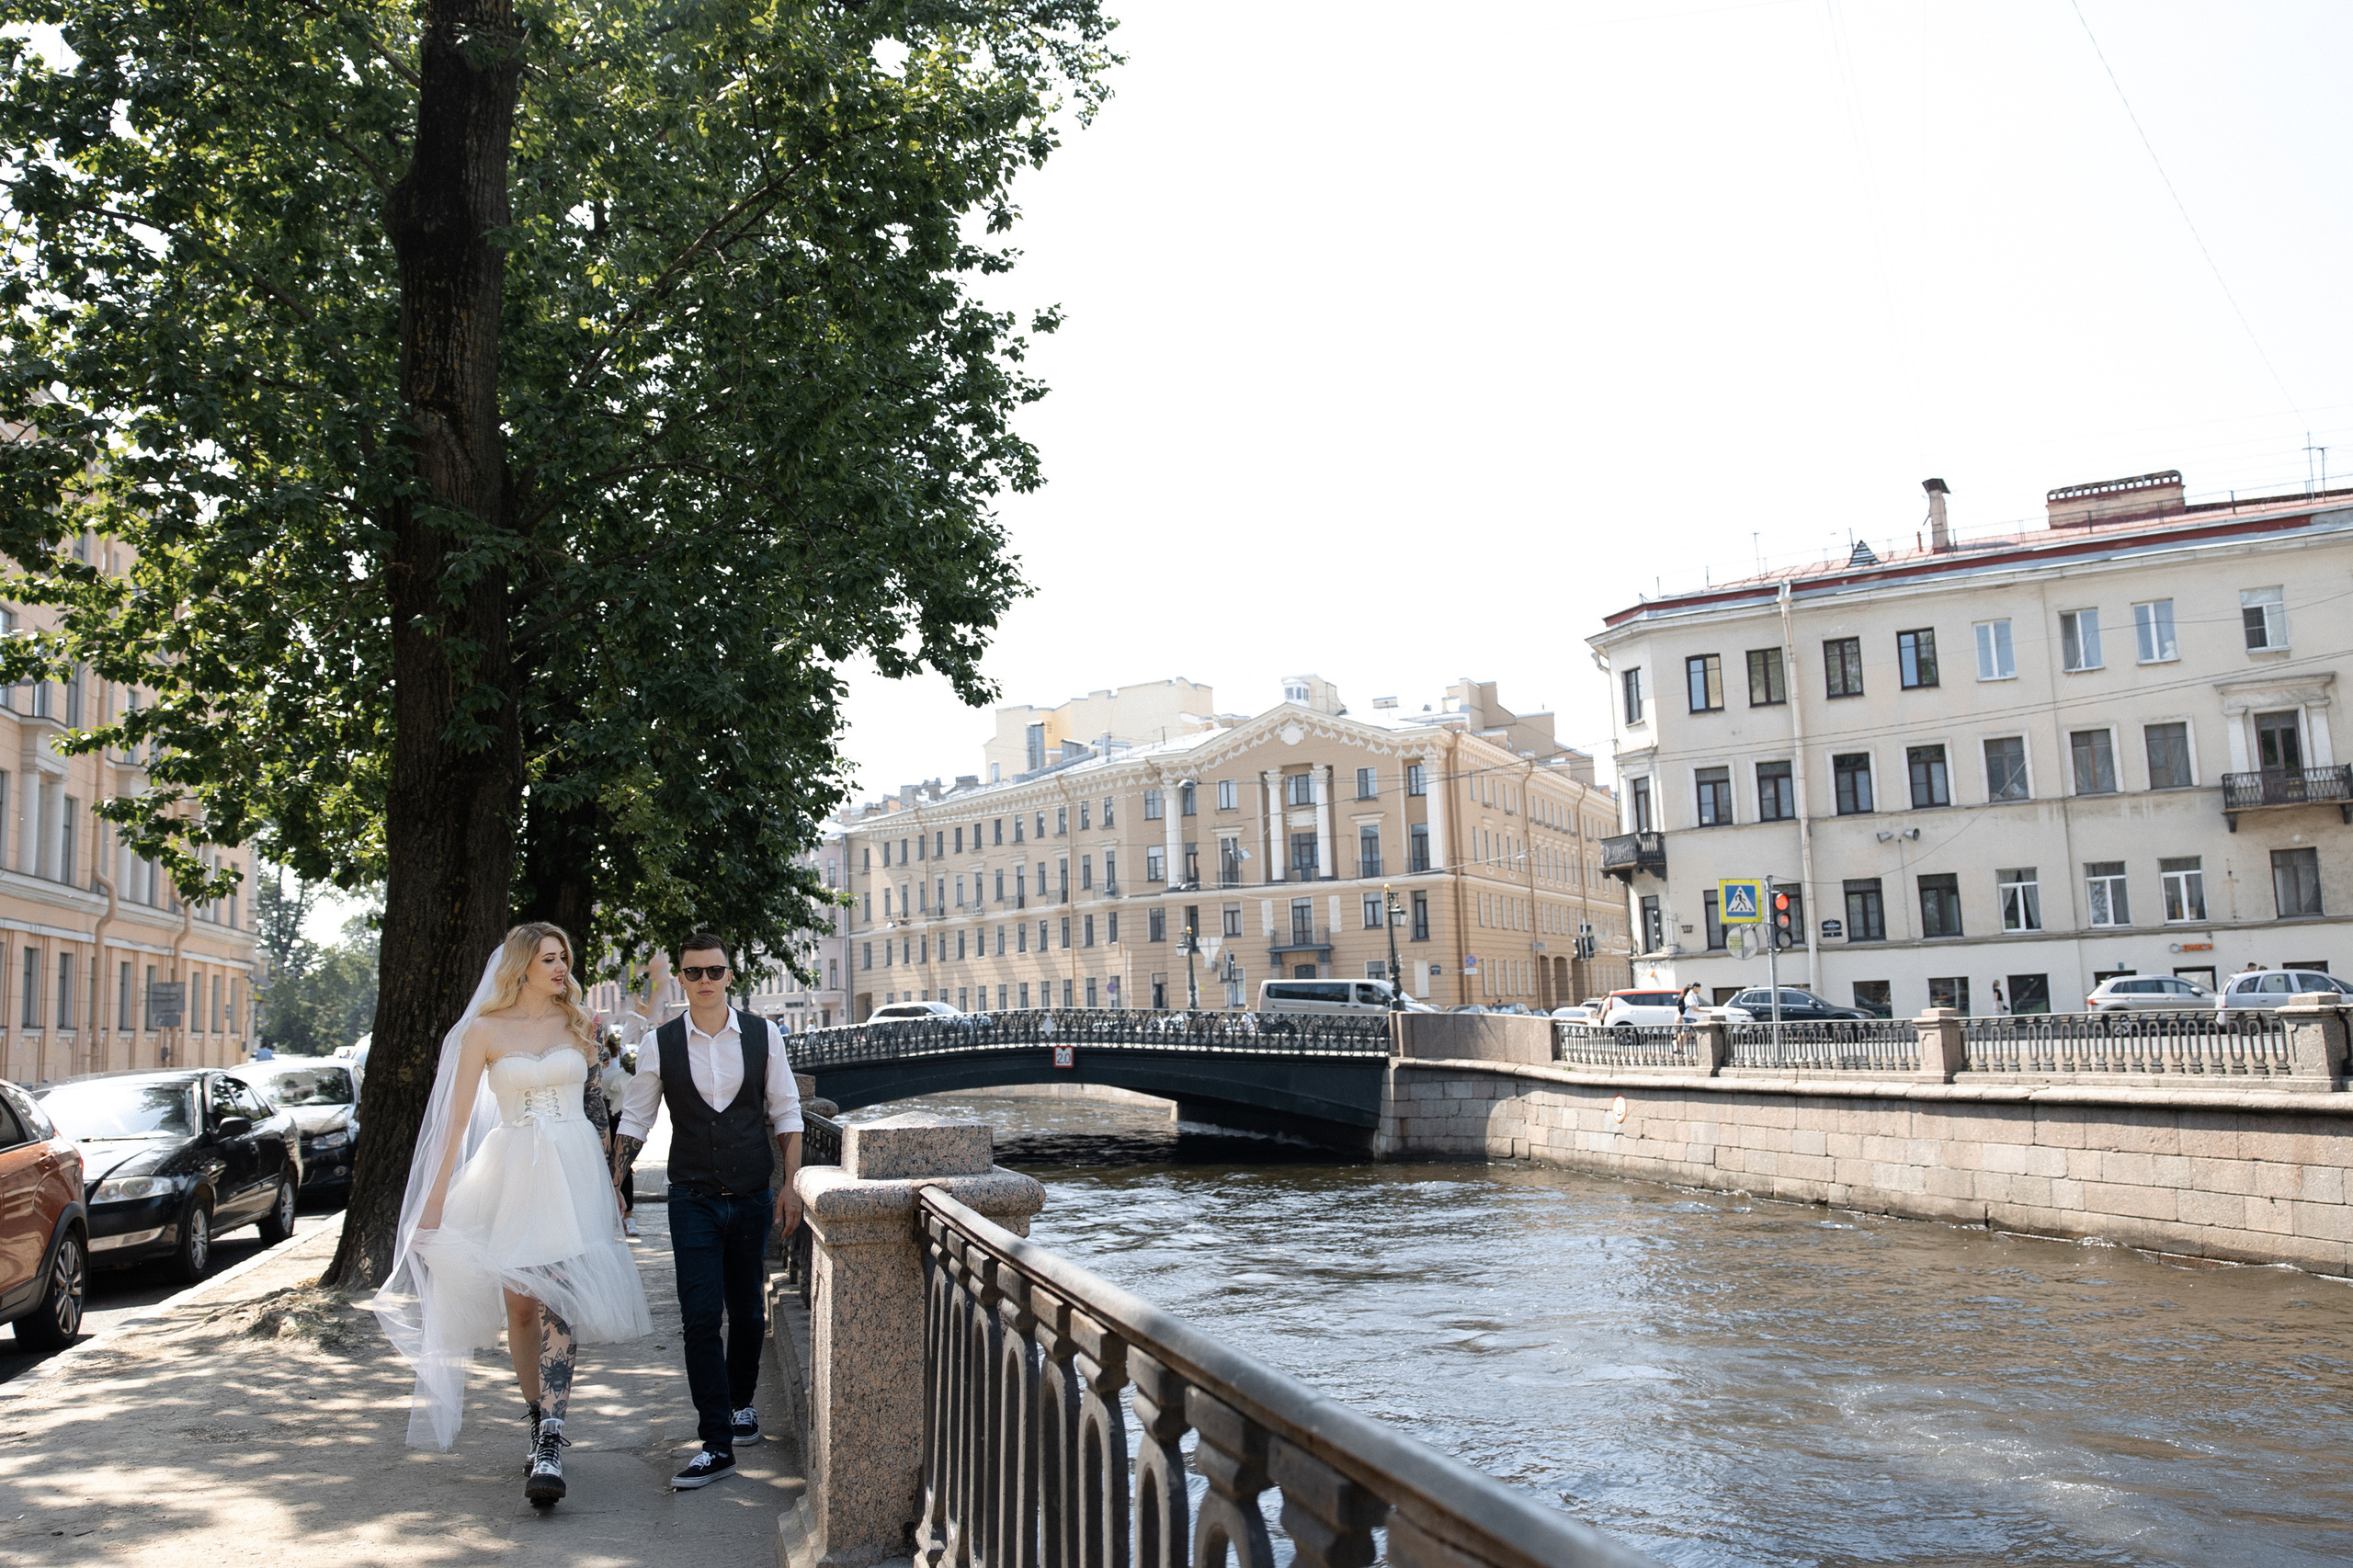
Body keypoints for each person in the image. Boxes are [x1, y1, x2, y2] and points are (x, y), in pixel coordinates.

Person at [369, 923, 652, 1507]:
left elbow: (596, 1108)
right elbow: (455, 1123)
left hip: (574, 1169)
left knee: (559, 1297)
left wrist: (613, 1183)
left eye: (564, 957)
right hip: (514, 1168)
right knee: (520, 1304)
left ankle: (551, 1439)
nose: (561, 968)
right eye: (549, 959)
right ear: (521, 966)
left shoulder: (581, 1025)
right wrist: (433, 1201)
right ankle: (536, 1416)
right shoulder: (483, 1031)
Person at [613, 933, 803, 1491]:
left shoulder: (763, 1036)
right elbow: (636, 1119)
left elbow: (787, 1112)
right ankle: (716, 1443)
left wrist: (791, 1186)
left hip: (751, 1194)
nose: (704, 981)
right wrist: (613, 1182)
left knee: (746, 1313)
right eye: (693, 972)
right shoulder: (661, 1043)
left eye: (714, 971)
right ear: (681, 977)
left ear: (729, 976)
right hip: (691, 1197)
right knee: (699, 1318)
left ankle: (741, 1404)